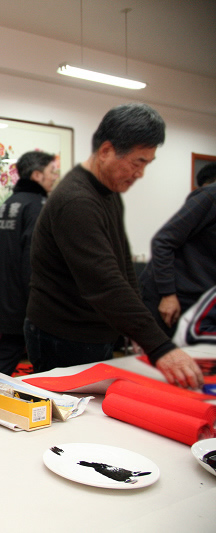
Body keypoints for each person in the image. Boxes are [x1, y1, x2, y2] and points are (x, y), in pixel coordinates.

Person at [25, 103, 204, 390]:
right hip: (65, 336)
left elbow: (122, 266)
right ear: (106, 151)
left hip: (95, 332)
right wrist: (161, 347)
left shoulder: (107, 191)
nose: (141, 173)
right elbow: (105, 284)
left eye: (146, 163)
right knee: (74, 416)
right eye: (138, 162)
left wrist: (139, 329)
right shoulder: (77, 201)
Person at [0, 151, 58, 376]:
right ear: (37, 175)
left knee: (9, 350)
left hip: (6, 293)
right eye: (52, 172)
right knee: (41, 358)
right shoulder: (37, 205)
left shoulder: (10, 202)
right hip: (27, 297)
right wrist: (40, 300)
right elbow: (35, 257)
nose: (56, 177)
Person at [139, 172, 216, 337]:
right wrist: (168, 294)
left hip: (203, 301)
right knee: (164, 358)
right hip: (172, 296)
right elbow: (163, 241)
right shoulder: (211, 196)